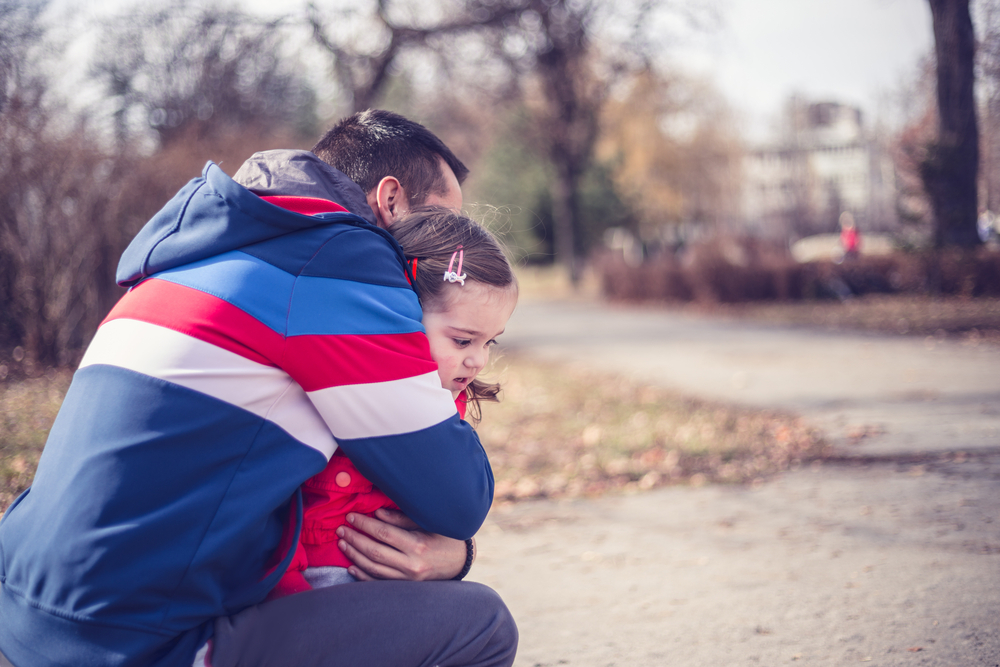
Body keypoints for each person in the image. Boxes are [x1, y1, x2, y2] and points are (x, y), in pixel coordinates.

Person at [0, 110, 518, 667]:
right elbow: (457, 498)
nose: (452, 252)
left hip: (25, 616)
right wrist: (456, 554)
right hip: (131, 644)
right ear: (390, 202)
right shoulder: (340, 263)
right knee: (480, 625)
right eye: (443, 225)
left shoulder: (203, 251)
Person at [273, 207, 518, 596]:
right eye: (462, 340)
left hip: (385, 578)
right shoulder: (342, 385)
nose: (479, 360)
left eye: (489, 342)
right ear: (405, 316)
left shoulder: (445, 405)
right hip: (311, 579)